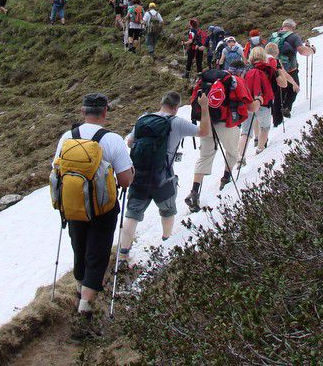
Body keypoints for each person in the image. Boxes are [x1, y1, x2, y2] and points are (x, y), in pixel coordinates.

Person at [52, 93, 133, 338]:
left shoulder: (68, 137)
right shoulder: (112, 140)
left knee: (80, 248)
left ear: (82, 111)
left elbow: (56, 169)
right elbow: (125, 180)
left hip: (73, 206)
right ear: (105, 112)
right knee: (97, 255)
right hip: (102, 209)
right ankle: (85, 309)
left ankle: (80, 289)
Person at [119, 91, 210, 261]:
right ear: (176, 108)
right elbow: (204, 131)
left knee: (132, 215)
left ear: (161, 103)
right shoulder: (177, 122)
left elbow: (130, 142)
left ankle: (123, 254)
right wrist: (204, 108)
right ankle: (166, 243)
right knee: (167, 211)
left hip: (139, 176)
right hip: (163, 177)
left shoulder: (143, 119)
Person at [185, 70, 258, 211]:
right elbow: (250, 106)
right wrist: (259, 100)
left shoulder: (204, 81)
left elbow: (193, 99)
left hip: (206, 123)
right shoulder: (234, 81)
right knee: (232, 152)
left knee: (204, 157)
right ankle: (225, 179)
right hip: (226, 123)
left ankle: (194, 191)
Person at [236, 47, 287, 160]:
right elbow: (283, 84)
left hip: (248, 103)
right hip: (264, 103)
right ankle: (260, 149)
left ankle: (240, 157)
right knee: (265, 127)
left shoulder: (246, 70)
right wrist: (279, 70)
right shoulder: (270, 69)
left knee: (245, 132)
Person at [268, 19, 315, 118]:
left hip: (274, 67)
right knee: (294, 88)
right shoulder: (294, 36)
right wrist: (311, 50)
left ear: (283, 26)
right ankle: (286, 108)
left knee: (279, 89)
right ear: (293, 27)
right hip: (290, 68)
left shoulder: (273, 36)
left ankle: (276, 111)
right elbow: (302, 51)